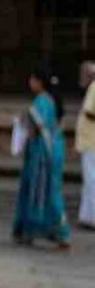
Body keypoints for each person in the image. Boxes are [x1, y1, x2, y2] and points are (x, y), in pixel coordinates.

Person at [12, 69, 71, 250]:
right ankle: (28, 230)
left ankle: (60, 233)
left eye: (32, 79)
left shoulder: (42, 101)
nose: (30, 82)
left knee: (45, 191)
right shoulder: (53, 101)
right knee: (40, 190)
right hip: (51, 150)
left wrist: (21, 123)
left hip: (43, 153)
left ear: (39, 82)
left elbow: (36, 126)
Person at [77, 62, 95, 231]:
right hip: (90, 141)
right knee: (88, 180)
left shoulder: (93, 88)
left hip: (91, 140)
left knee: (91, 180)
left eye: (83, 75)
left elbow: (90, 111)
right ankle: (86, 217)